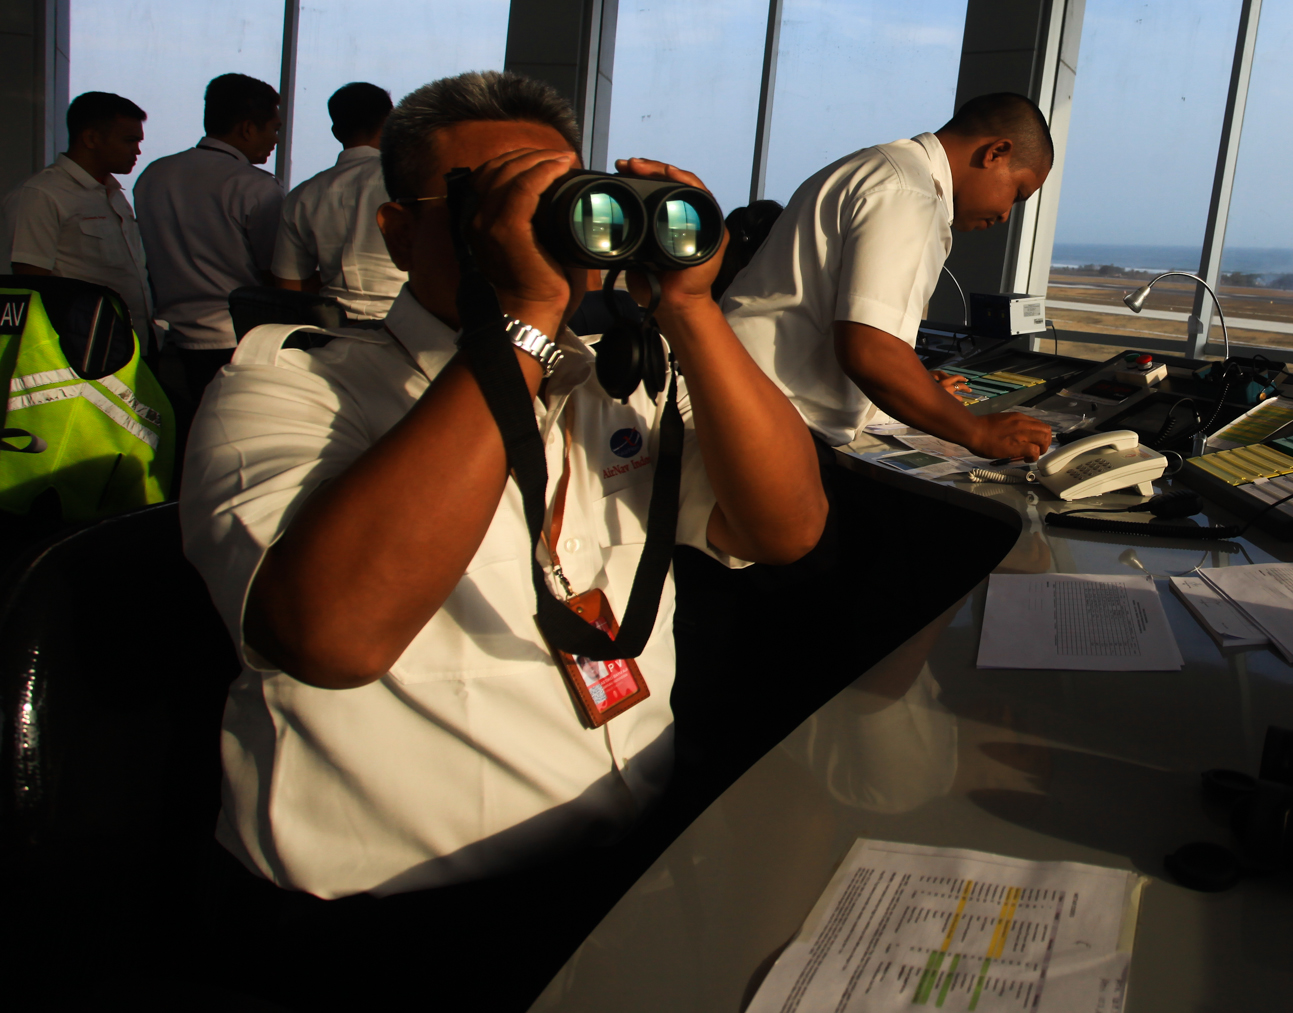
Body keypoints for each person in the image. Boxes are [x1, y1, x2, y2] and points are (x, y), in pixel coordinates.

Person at [181, 70, 824, 911]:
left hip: (632, 874)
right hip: (403, 913)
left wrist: (691, 309)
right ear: (400, 232)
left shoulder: (610, 387)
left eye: (559, 198)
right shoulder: (290, 388)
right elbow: (330, 636)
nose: (533, 230)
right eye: (493, 202)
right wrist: (520, 317)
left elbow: (786, 528)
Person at [722, 92, 1059, 461]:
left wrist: (914, 388)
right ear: (996, 152)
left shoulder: (880, 166)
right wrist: (977, 431)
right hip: (757, 417)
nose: (1006, 215)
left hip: (743, 393)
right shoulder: (910, 194)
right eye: (1017, 193)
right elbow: (870, 351)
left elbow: (838, 326)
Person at [135, 72, 285, 400]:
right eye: (274, 128)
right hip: (233, 341)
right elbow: (274, 271)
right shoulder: (254, 186)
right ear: (247, 128)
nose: (275, 140)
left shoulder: (153, 175)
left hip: (167, 340)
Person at [1, 91, 156, 349]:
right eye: (130, 140)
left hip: (133, 342)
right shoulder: (41, 195)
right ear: (91, 138)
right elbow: (31, 284)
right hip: (81, 349)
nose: (137, 151)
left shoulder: (112, 194)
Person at [272, 81, 407, 319]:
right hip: (404, 325)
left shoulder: (303, 195)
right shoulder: (408, 182)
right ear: (391, 124)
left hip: (330, 332)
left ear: (336, 132)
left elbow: (288, 286)